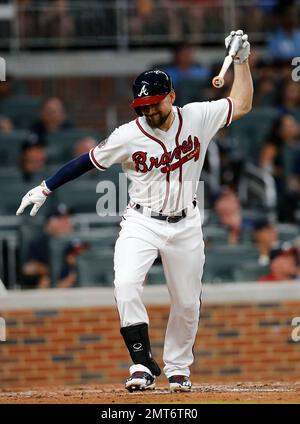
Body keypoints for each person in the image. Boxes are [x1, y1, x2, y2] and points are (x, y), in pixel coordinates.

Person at [16, 30, 253, 392]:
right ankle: (141, 363)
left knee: (188, 303)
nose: (149, 111)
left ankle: (178, 367)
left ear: (172, 97)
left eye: (155, 103)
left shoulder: (198, 116)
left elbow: (242, 102)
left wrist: (241, 61)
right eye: (142, 106)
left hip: (186, 222)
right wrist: (46, 187)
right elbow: (87, 161)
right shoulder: (129, 134)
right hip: (141, 220)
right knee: (126, 284)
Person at [22, 204, 74, 289]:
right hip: (49, 285)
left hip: (75, 287)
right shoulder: (39, 243)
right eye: (59, 219)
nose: (65, 223)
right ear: (48, 223)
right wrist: (47, 271)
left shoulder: (75, 242)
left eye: (67, 218)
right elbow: (28, 269)